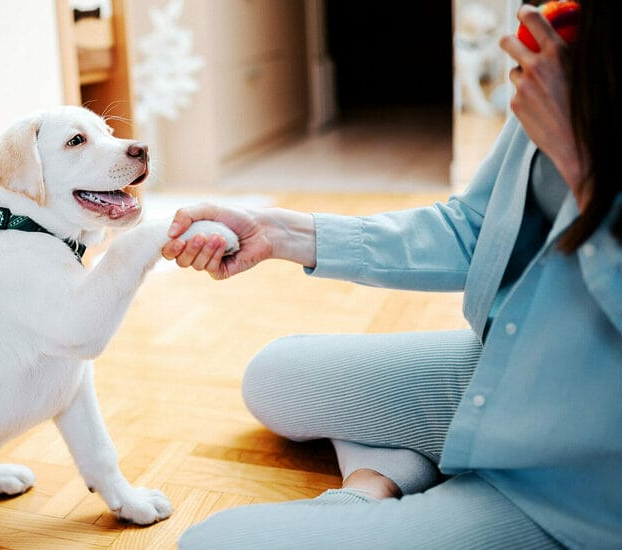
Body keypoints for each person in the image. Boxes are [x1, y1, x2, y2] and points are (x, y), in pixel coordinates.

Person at [163, 2, 621, 548]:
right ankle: (387, 476)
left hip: (583, 478)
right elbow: (474, 226)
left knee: (209, 543)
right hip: (514, 367)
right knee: (273, 376)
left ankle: (380, 492)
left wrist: (581, 166)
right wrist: (279, 232)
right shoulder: (571, 47)